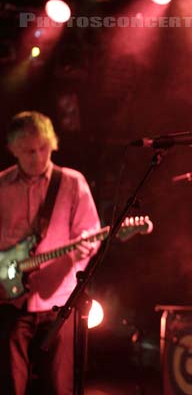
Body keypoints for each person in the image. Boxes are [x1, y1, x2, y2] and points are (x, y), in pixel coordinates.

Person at [0, 111, 100, 394]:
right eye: (28, 151)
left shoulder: (71, 182)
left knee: (58, 387)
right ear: (13, 150)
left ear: (52, 144)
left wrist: (76, 253)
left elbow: (90, 233)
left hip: (58, 301)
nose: (37, 156)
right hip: (10, 300)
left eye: (43, 148)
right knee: (9, 384)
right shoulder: (1, 185)